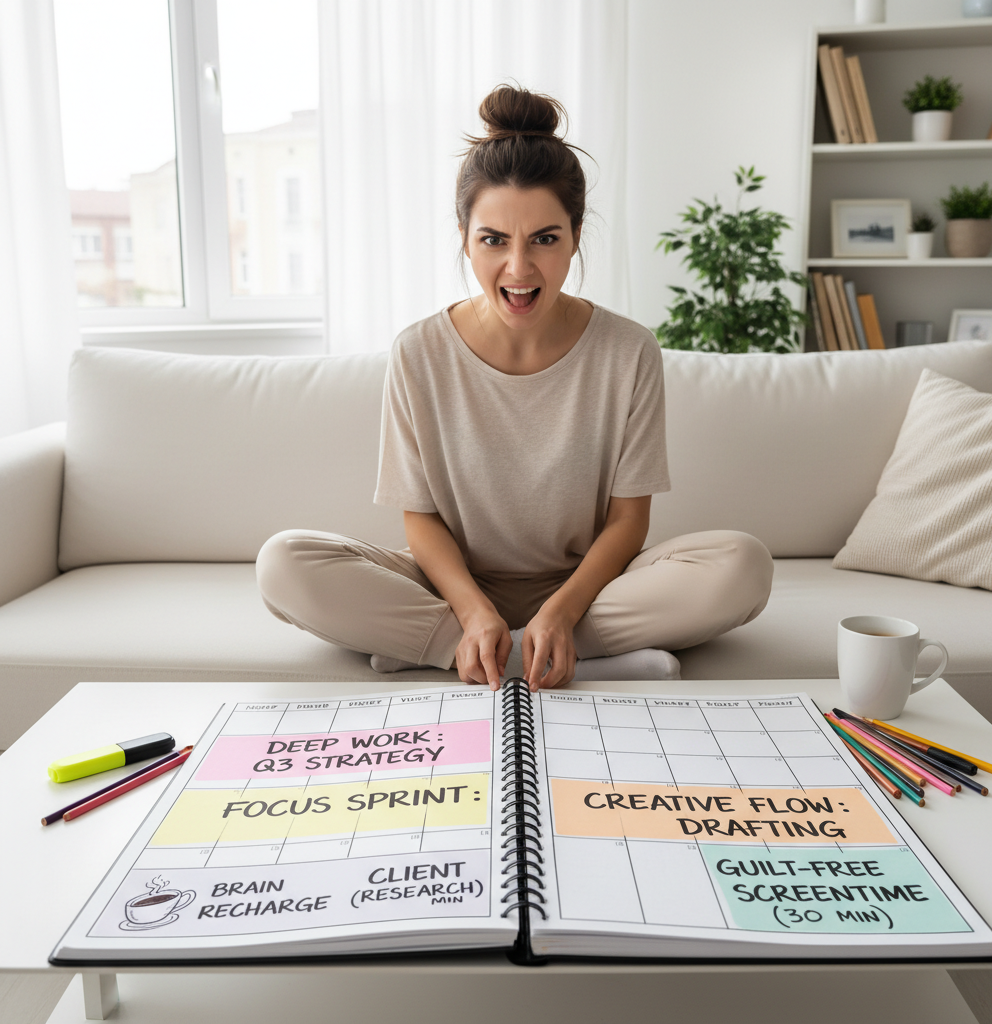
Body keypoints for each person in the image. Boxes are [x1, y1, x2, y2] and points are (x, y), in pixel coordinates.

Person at [256, 84, 773, 693]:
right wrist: (473, 611)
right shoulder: (418, 352)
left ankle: (471, 652)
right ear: (464, 235)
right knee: (284, 563)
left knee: (743, 565)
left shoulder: (629, 351)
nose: (520, 269)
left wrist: (562, 608)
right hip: (454, 590)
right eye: (494, 240)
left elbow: (628, 524)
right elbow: (419, 522)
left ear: (576, 235)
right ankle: (494, 646)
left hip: (589, 590)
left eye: (545, 239)